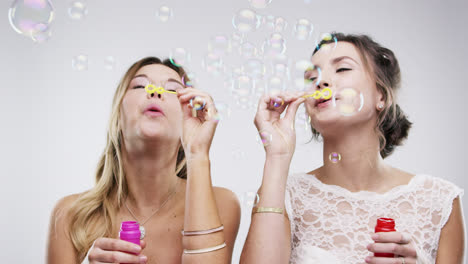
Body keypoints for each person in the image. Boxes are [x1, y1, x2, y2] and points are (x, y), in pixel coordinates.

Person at [240, 33, 465, 264]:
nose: (321, 82)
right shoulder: (283, 194)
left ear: (381, 96)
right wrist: (277, 156)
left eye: (343, 69)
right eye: (311, 77)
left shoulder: (439, 201)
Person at [46, 57, 241, 264]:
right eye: (140, 85)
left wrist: (198, 152)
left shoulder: (221, 204)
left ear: (189, 117)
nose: (155, 92)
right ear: (118, 116)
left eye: (173, 90)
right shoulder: (70, 215)